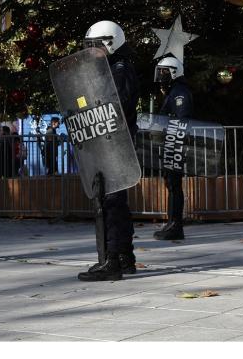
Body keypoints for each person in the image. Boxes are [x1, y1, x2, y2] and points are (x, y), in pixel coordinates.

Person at [78, 20, 139, 281]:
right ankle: (125, 257)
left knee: (111, 202)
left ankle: (111, 260)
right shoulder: (113, 67)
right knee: (117, 202)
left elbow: (118, 104)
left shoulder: (119, 69)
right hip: (112, 141)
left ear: (110, 43)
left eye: (96, 45)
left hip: (115, 141)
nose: (92, 51)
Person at [153, 55, 193, 241]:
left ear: (174, 72)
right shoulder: (173, 90)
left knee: (174, 185)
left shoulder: (180, 93)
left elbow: (180, 119)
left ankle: (175, 225)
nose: (161, 75)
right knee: (171, 184)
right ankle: (172, 223)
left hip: (175, 143)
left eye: (164, 71)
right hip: (171, 143)